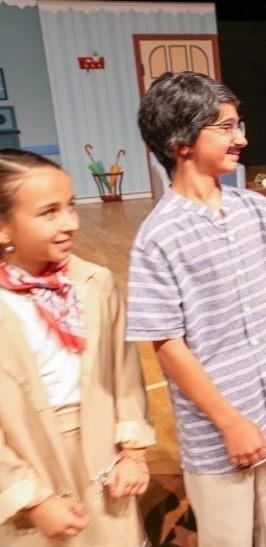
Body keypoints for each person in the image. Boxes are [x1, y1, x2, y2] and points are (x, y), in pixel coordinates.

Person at [127, 72, 266, 547]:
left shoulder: (257, 209)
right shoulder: (158, 237)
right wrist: (229, 422)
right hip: (218, 433)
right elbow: (168, 345)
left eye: (238, 125)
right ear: (181, 143)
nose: (242, 139)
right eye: (226, 127)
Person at [0, 149, 155, 546]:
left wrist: (133, 452)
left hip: (102, 450)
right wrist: (32, 500)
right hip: (23, 457)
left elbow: (124, 373)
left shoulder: (95, 283)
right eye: (49, 212)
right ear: (3, 228)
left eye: (70, 206)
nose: (70, 222)